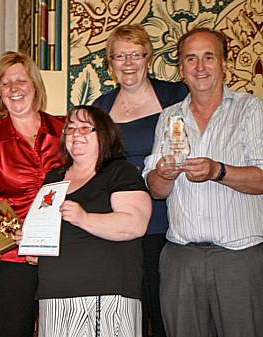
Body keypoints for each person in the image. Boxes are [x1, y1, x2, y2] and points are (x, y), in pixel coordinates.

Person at [143, 28, 263, 337]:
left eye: (209, 57)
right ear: (181, 69)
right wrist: (163, 174)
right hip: (181, 258)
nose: (200, 67)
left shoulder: (250, 110)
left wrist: (217, 171)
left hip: (240, 258)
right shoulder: (170, 116)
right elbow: (156, 190)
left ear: (225, 64)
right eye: (191, 59)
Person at [92, 24, 188, 337]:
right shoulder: (101, 107)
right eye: (120, 56)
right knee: (127, 312)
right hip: (120, 221)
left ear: (149, 57)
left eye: (136, 54)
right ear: (111, 62)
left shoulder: (175, 95)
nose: (128, 63)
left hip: (167, 219)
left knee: (167, 312)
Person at [37, 105, 151, 337]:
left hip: (106, 295)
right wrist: (34, 243)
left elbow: (134, 224)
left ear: (104, 134)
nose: (76, 134)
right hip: (54, 294)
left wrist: (84, 218)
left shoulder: (121, 172)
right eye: (70, 129)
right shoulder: (54, 177)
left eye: (85, 128)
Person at [0, 51, 65, 337]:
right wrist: (28, 243)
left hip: (65, 250)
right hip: (13, 254)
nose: (14, 89)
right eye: (6, 83)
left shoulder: (64, 129)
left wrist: (48, 243)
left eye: (21, 81)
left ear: (35, 85)